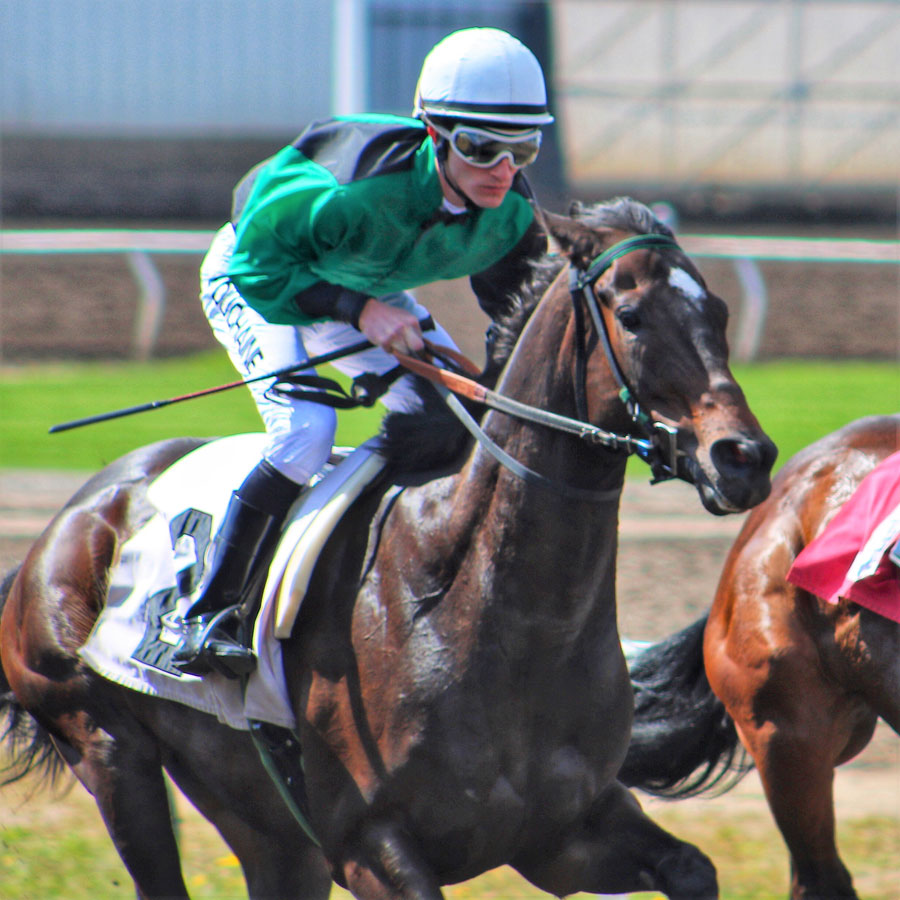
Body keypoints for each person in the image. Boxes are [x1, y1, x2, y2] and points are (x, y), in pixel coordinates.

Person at [172, 26, 554, 677]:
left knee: (462, 422)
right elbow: (264, 271)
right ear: (434, 134)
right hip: (260, 273)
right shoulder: (349, 185)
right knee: (304, 434)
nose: (503, 170)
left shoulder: (509, 210)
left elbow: (517, 312)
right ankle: (208, 615)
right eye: (482, 147)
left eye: (523, 147)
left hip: (364, 284)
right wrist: (359, 311)